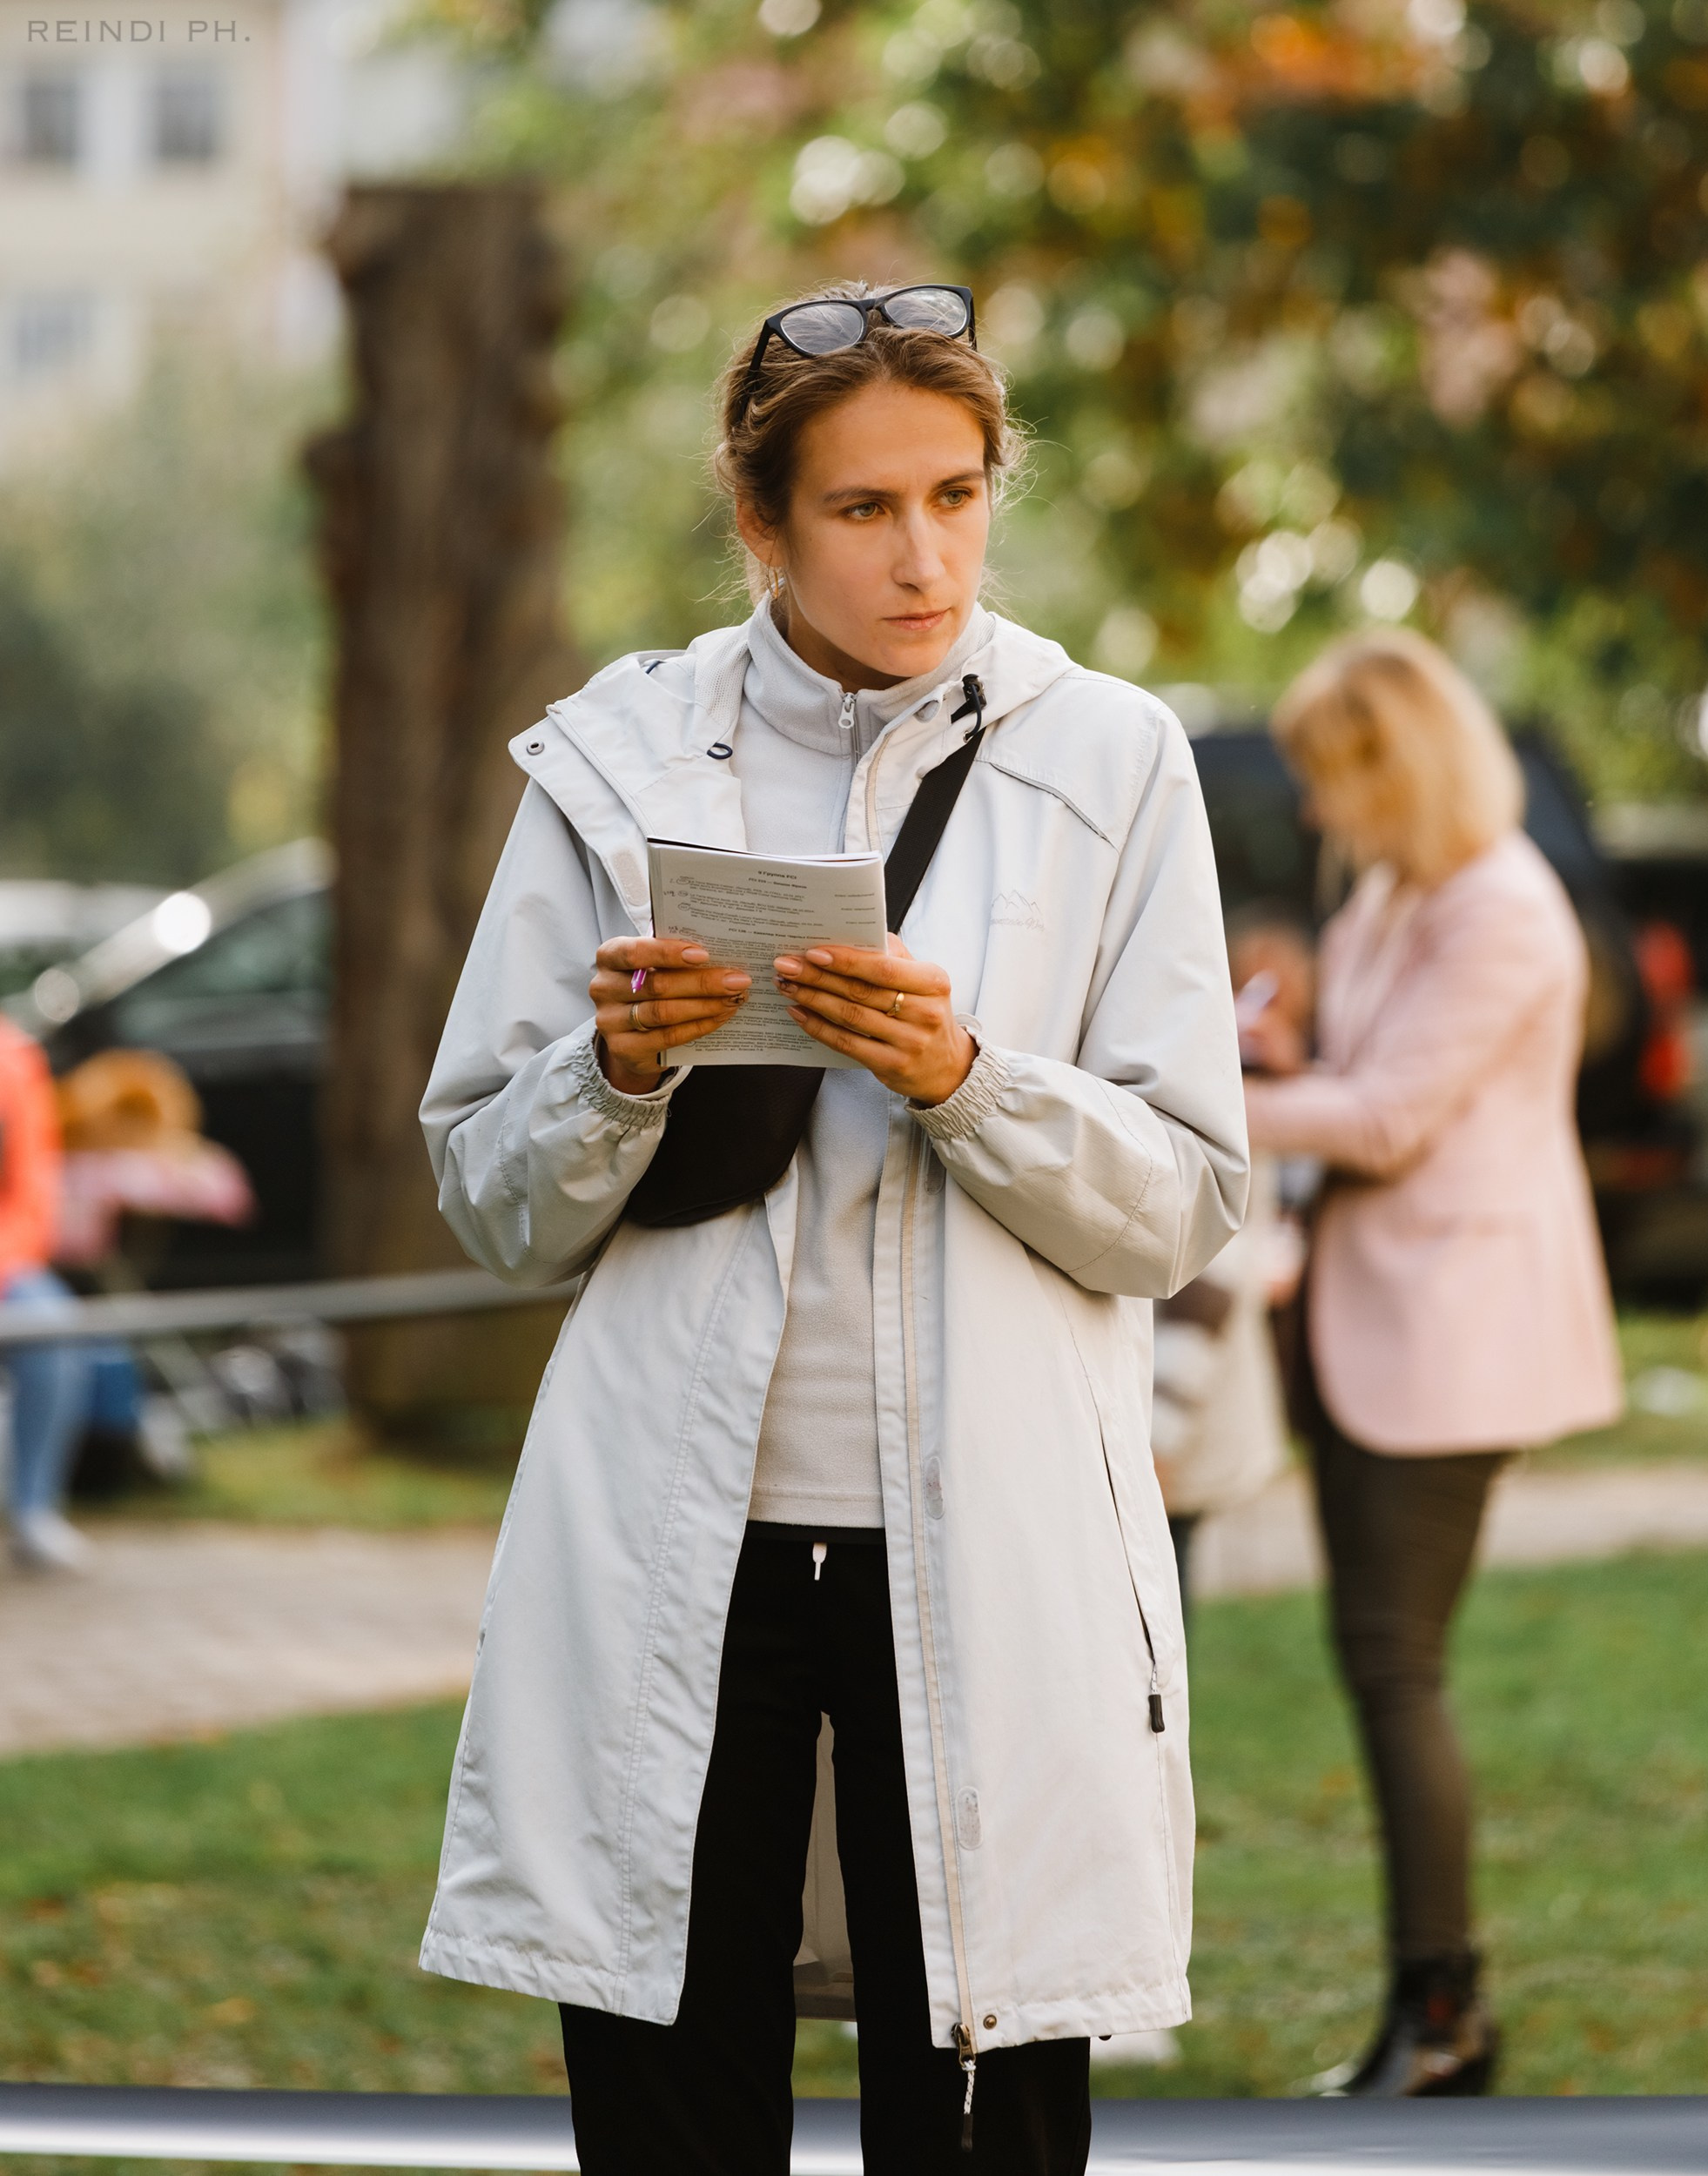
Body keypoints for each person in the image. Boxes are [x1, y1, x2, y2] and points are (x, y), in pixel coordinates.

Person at [419, 279, 1248, 2175]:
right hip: (672, 1556)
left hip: (990, 1549)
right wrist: (615, 1071)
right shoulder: (612, 767)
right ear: (760, 521)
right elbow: (486, 1192)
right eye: (865, 508)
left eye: (955, 494)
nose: (923, 552)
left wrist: (970, 1077)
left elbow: (1186, 1196)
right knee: (667, 2104)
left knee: (980, 2112)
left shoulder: (1110, 760)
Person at [1241, 629, 1622, 2098]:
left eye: (1331, 781)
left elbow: (1393, 1117)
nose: (1318, 814)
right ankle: (1431, 2013)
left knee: (1398, 1667)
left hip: (1454, 1334)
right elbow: (1355, 1073)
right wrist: (1273, 1061)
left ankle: (1446, 2019)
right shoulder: (1403, 893)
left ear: (1398, 764)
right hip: (1363, 1320)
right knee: (1377, 1658)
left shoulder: (1505, 912)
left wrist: (1205, 1093)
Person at [1151, 917, 1310, 1621]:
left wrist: (1159, 1436)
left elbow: (1207, 1283)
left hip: (1175, 1420)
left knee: (1154, 1609)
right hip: (1191, 1413)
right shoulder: (1247, 1105)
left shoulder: (1225, 1110)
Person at [0, 1017, 95, 1572]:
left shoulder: (14, 1056)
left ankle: (34, 1511)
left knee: (53, 1323)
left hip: (5, 1269)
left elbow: (33, 1190)